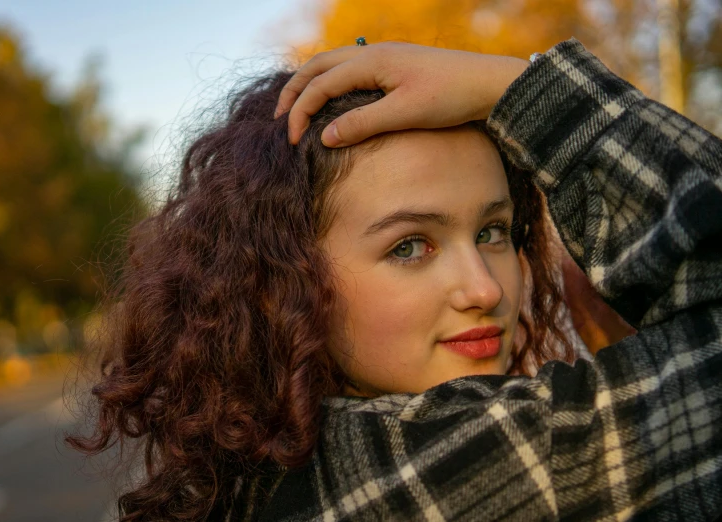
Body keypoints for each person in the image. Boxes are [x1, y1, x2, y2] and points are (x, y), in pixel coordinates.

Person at [69, 38, 722, 521]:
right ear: (282, 285)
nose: (484, 289)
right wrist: (520, 90)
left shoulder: (266, 476)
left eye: (493, 232)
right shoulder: (422, 469)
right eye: (410, 245)